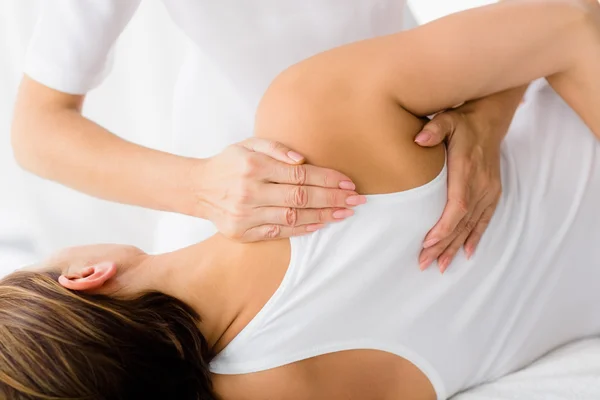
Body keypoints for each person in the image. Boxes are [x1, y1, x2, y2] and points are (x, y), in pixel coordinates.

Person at [3, 0, 600, 399]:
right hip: (369, 115)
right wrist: (201, 187)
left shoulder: (283, 385)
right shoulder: (312, 109)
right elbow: (572, 22)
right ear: (84, 275)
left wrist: (489, 105)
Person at [11, 0, 523, 271]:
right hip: (234, 197)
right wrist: (202, 188)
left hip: (428, 149)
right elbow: (37, 127)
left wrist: (489, 116)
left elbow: (560, 9)